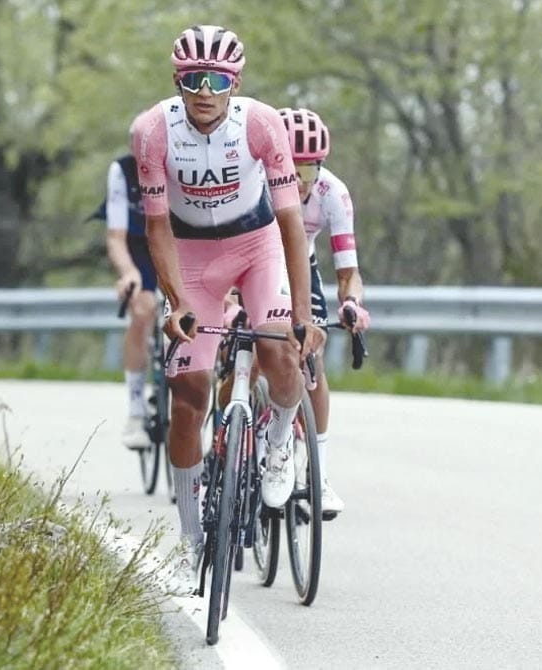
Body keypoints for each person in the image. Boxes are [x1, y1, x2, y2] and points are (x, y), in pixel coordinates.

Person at [130, 24, 325, 588]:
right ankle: (192, 535)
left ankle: (280, 443)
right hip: (192, 257)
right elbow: (157, 227)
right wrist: (176, 302)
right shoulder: (151, 132)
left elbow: (291, 222)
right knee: (188, 394)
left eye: (217, 80)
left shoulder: (261, 124)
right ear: (178, 81)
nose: (205, 91)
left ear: (234, 84)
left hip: (257, 246)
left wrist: (303, 315)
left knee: (279, 352)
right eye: (194, 80)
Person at [278, 107, 371, 516]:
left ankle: (319, 474)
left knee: (311, 353)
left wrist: (351, 303)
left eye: (310, 171)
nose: (301, 181)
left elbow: (348, 271)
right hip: (253, 262)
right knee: (249, 350)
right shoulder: (251, 183)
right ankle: (228, 444)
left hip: (303, 268)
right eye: (292, 170)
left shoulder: (333, 193)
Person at [101, 154, 158, 448]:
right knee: (143, 308)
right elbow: (115, 237)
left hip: (181, 240)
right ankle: (136, 411)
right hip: (138, 246)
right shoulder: (122, 171)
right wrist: (129, 273)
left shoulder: (188, 160)